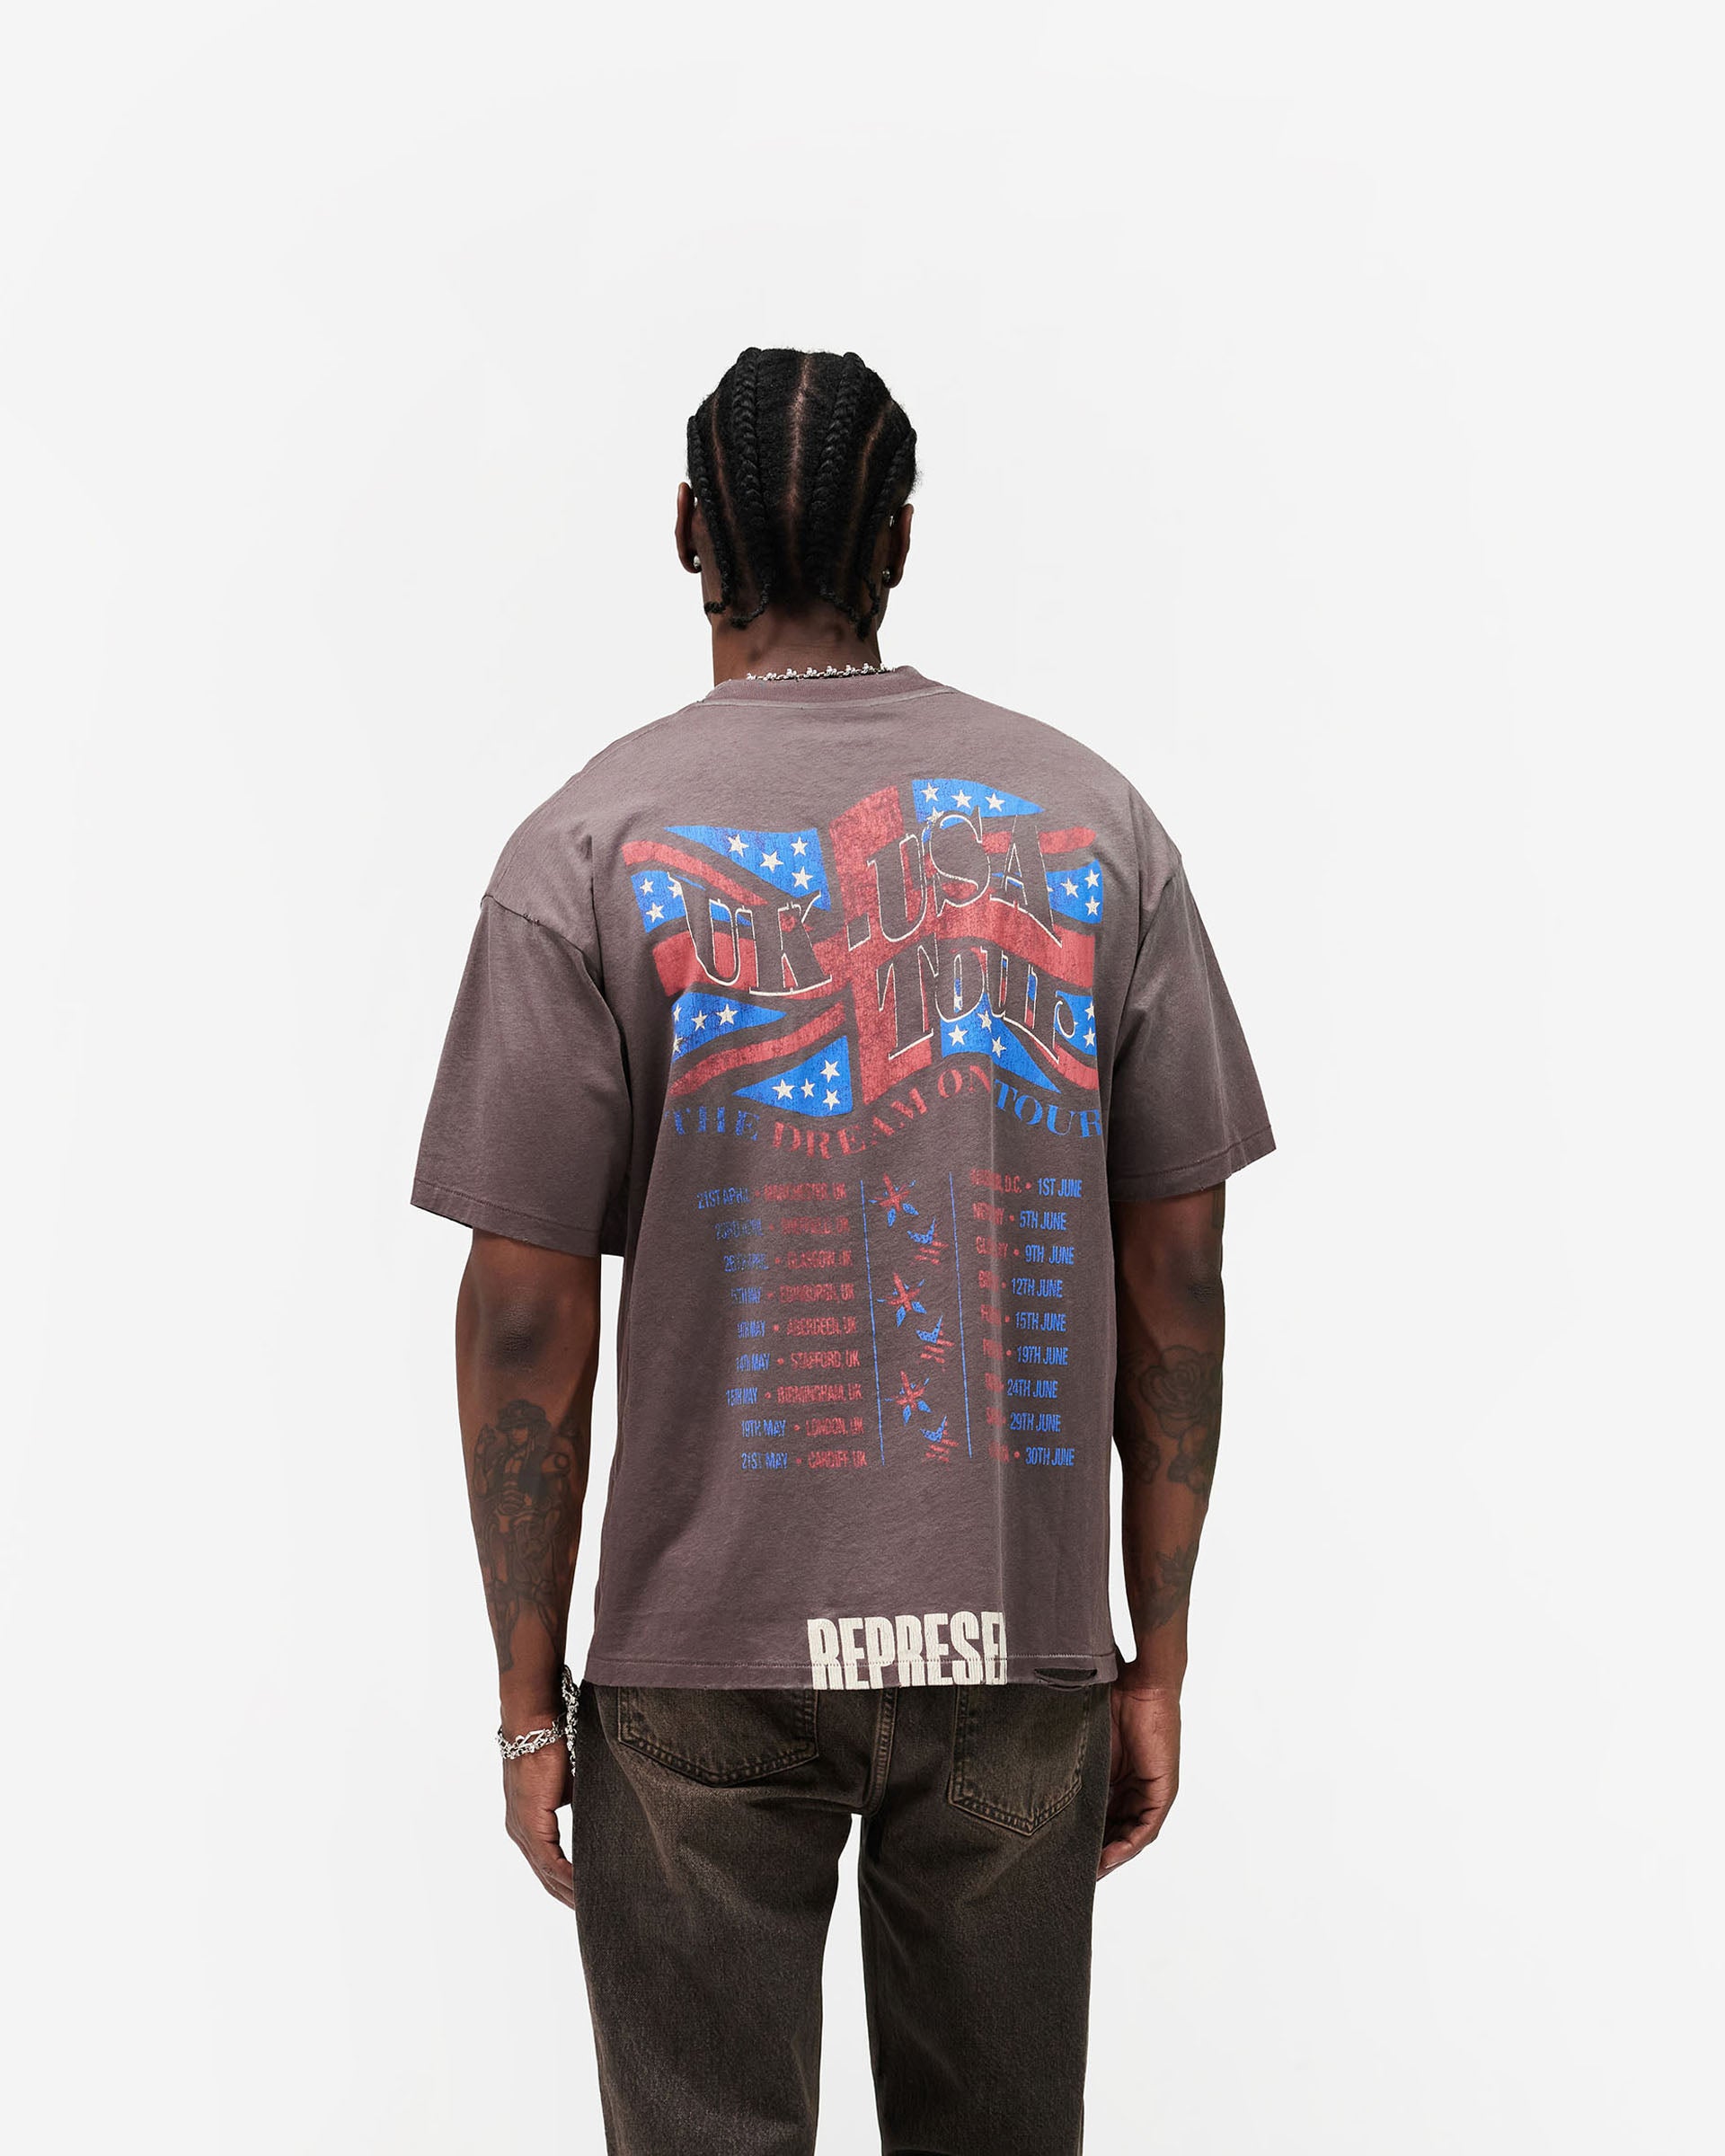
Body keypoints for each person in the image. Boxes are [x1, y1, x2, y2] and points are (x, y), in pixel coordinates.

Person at [412, 347, 1274, 2155]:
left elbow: (523, 1320)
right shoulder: (1094, 826)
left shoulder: (587, 844)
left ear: (686, 531)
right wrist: (1158, 1654)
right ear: (899, 539)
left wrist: (523, 1700)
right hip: (1014, 1643)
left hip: (695, 1661)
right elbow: (1178, 1274)